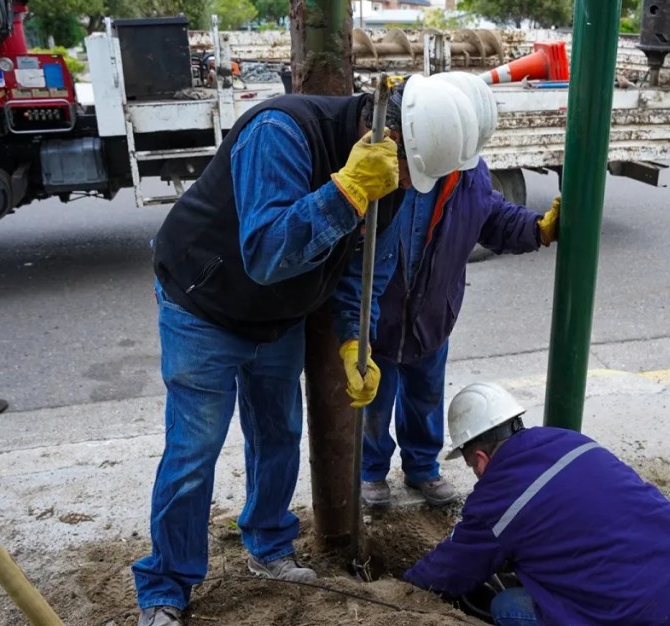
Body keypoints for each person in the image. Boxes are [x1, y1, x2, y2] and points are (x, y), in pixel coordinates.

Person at [132, 77, 481, 626]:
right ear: (386, 132)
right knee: (194, 450)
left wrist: (353, 338)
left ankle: (268, 546)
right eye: (413, 168)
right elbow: (267, 253)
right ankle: (166, 585)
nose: (409, 183)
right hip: (203, 304)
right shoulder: (281, 133)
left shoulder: (386, 178)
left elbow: (366, 273)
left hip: (278, 316)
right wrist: (345, 193)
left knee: (278, 434)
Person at [359, 73, 561, 508]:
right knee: (374, 401)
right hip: (380, 317)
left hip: (432, 315)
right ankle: (370, 472)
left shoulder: (469, 172)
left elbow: (491, 216)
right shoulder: (391, 164)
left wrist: (537, 229)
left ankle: (422, 469)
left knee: (425, 396)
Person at [405, 382, 670, 626]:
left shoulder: (496, 500)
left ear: (479, 457)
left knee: (507, 605)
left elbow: (451, 569)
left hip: (667, 619)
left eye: (471, 466)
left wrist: (403, 587)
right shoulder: (572, 441)